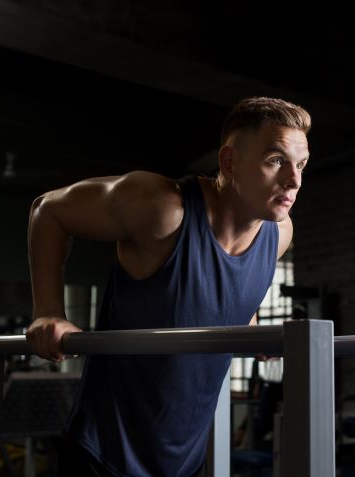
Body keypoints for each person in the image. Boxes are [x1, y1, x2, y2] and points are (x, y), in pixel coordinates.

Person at [25, 97, 311, 477]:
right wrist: (48, 311)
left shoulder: (278, 235)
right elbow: (48, 210)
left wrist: (251, 328)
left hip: (185, 462)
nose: (294, 180)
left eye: (301, 164)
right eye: (276, 161)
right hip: (104, 456)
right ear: (229, 162)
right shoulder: (163, 209)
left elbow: (232, 289)